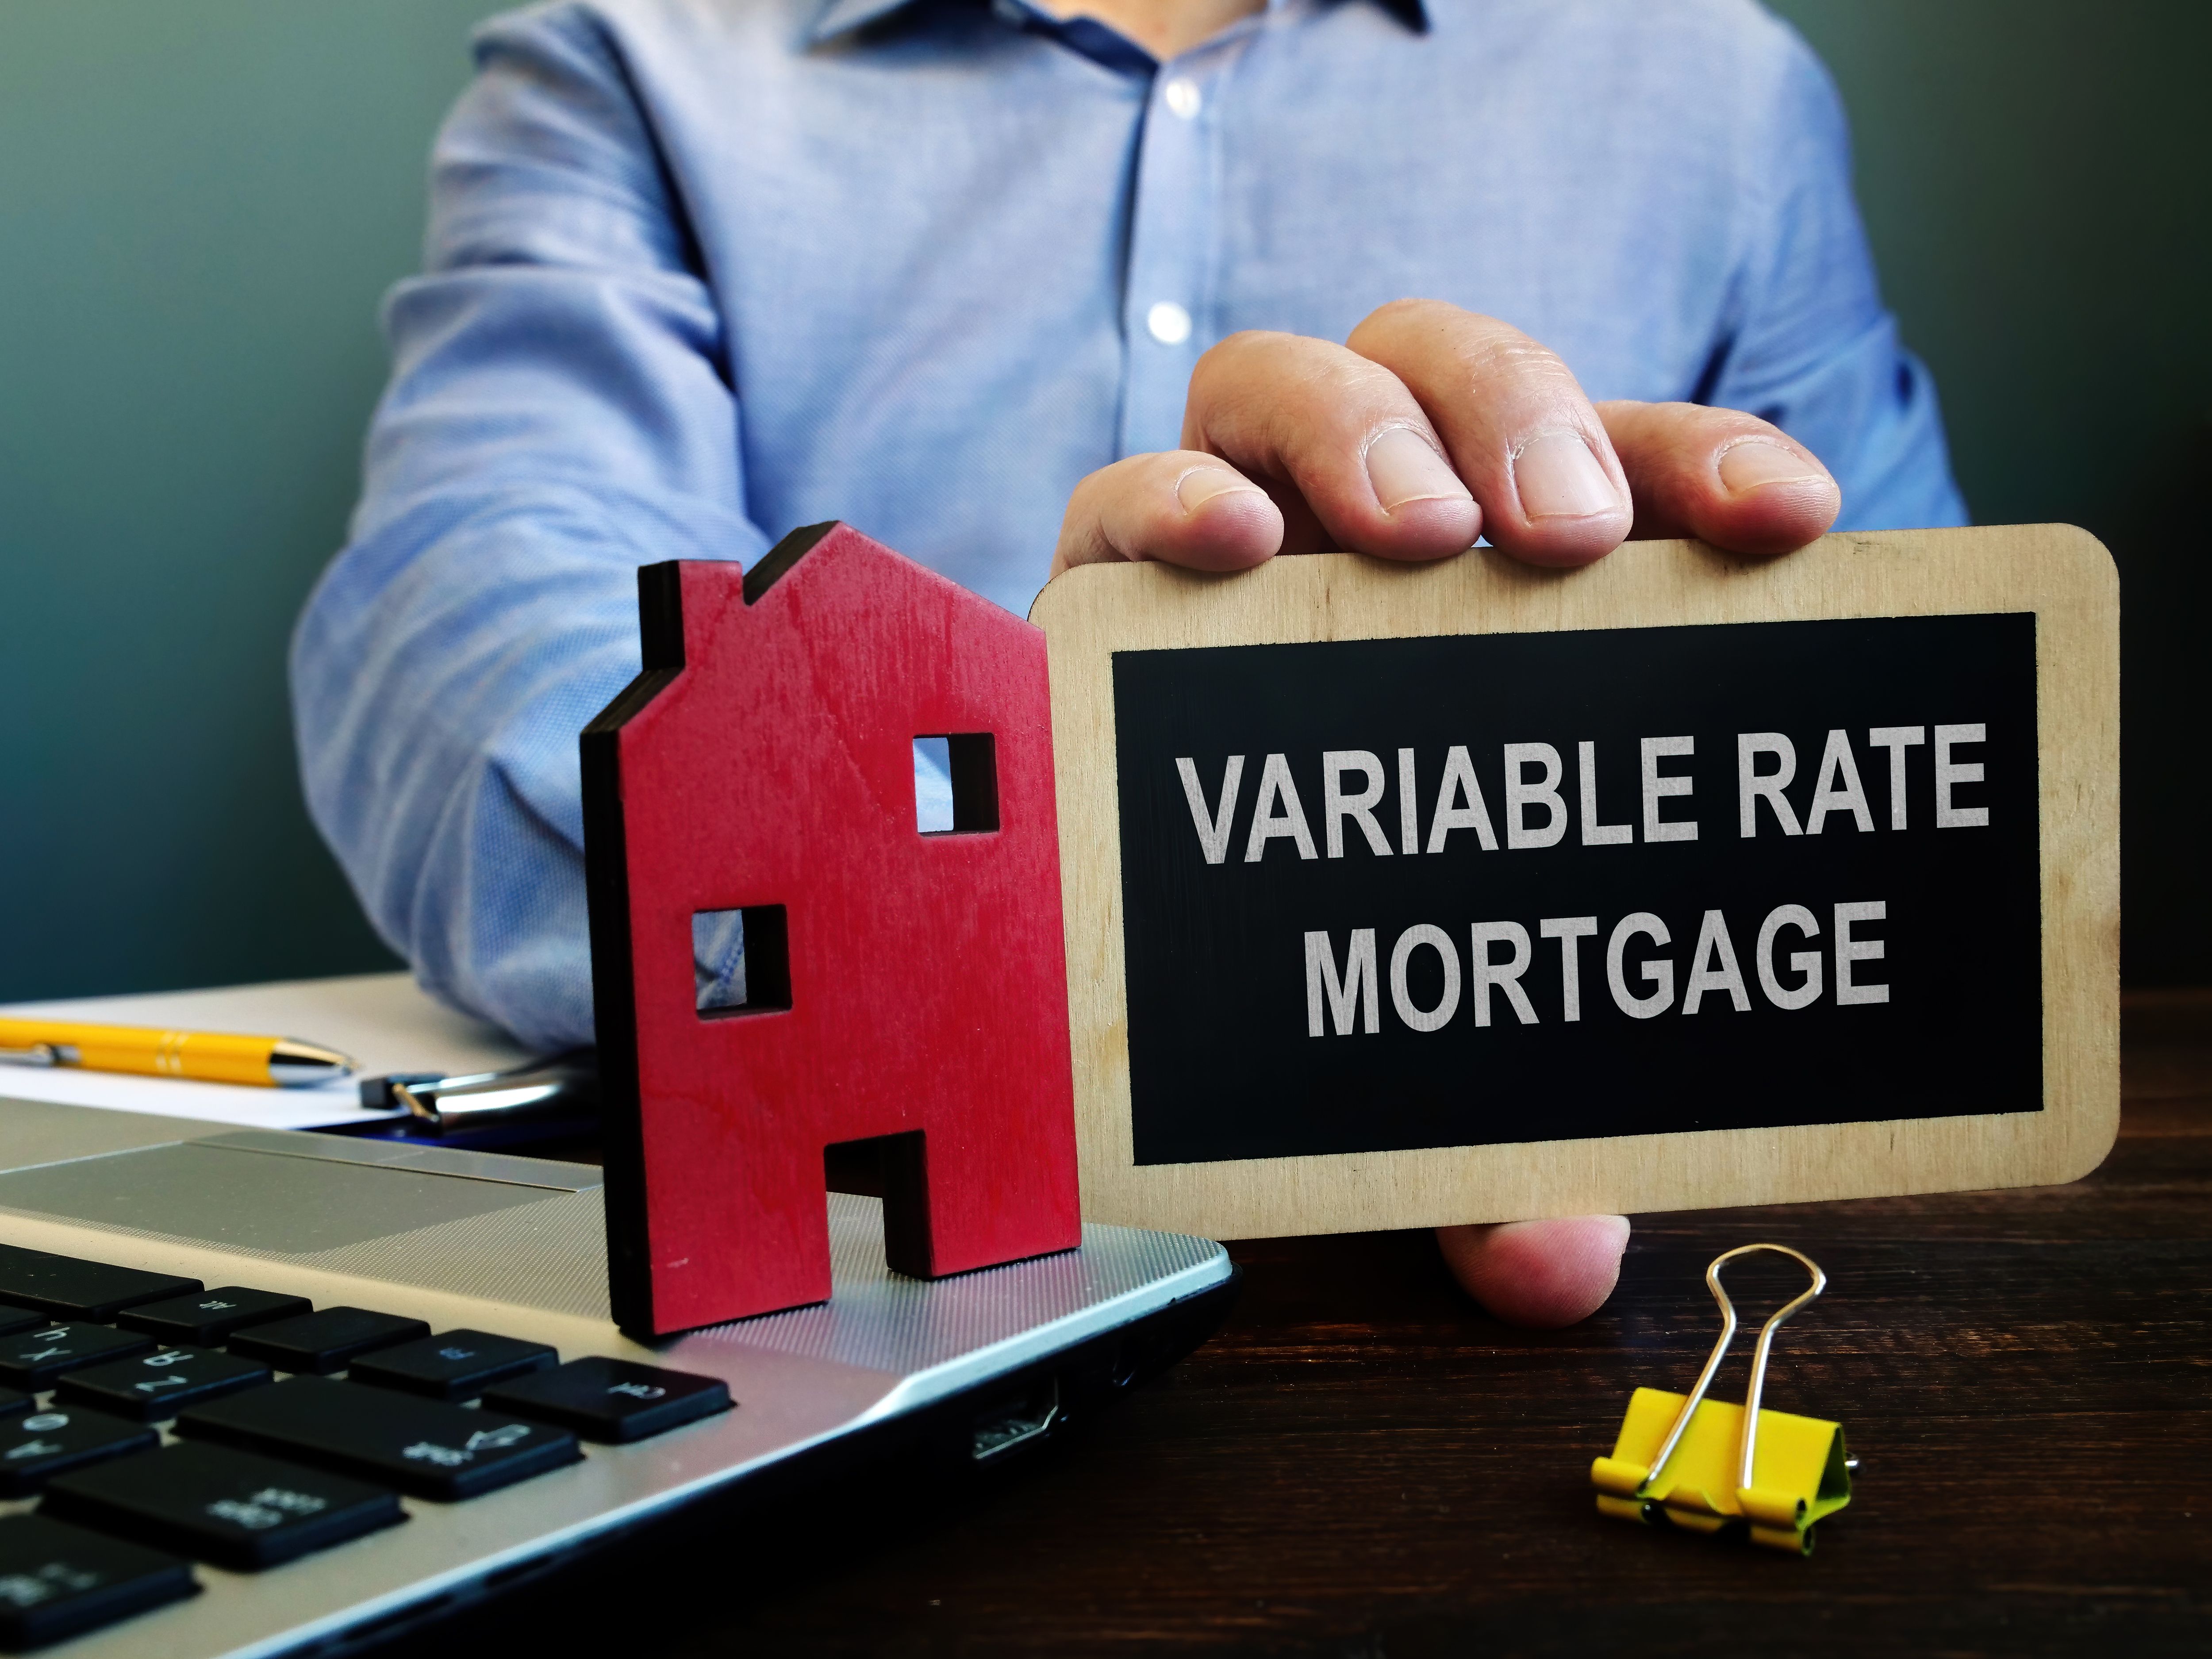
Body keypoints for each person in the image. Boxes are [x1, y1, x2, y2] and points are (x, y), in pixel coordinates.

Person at [292, 0, 1965, 1328]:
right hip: (862, 1288)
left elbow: (1943, 797)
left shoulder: (1717, 89)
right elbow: (471, 605)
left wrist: (1559, 825)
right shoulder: (638, 57)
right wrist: (1018, 920)